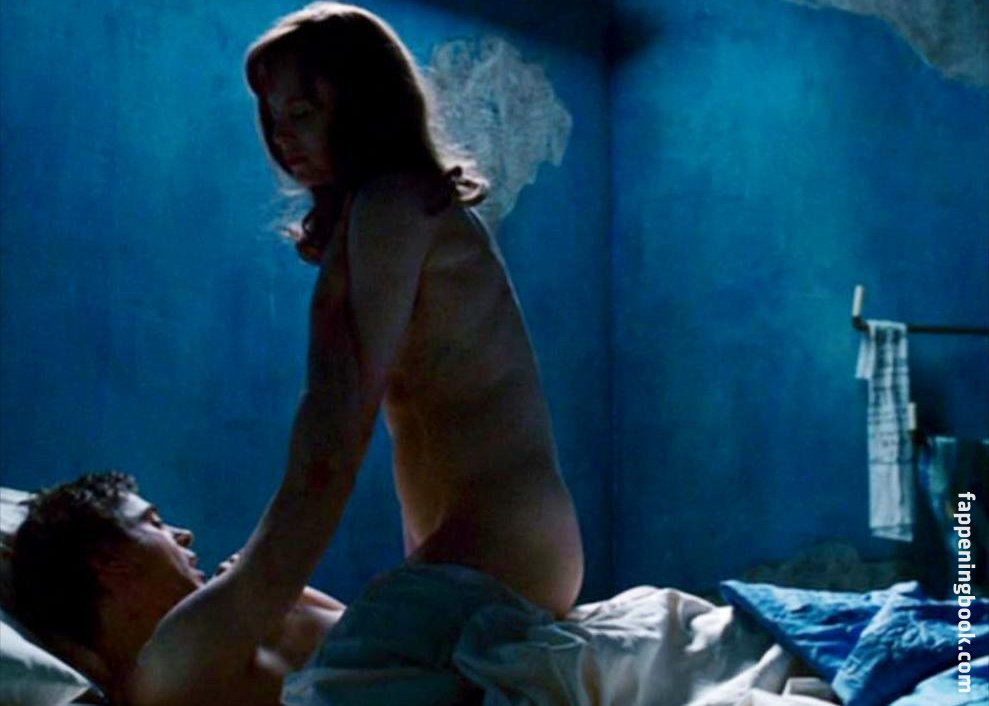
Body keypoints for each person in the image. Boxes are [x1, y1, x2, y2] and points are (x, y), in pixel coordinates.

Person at [242, 1, 584, 620]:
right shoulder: (378, 210)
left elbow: (343, 406)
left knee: (331, 657)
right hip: (488, 540)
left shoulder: (395, 202)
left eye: (302, 112)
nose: (283, 135)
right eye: (273, 117)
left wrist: (257, 578)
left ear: (362, 104)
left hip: (507, 539)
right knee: (314, 637)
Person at [11, 472, 343, 706]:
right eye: (154, 523)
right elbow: (319, 478)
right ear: (107, 561)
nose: (184, 534)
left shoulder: (252, 607)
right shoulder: (163, 677)